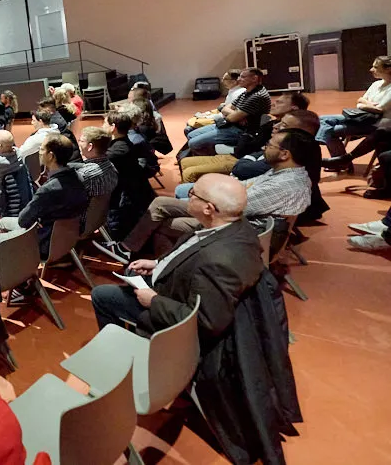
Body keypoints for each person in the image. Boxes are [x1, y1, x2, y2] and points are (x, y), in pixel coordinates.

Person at [98, 128, 314, 262]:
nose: (265, 147)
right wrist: (205, 194)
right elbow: (242, 186)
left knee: (164, 224)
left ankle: (164, 271)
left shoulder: (286, 184)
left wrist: (203, 197)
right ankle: (128, 250)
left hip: (237, 230)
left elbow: (235, 206)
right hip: (234, 218)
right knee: (161, 203)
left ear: (285, 154)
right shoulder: (282, 172)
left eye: (270, 145)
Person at [89, 174, 264, 340]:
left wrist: (154, 301)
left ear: (208, 208)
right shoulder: (230, 224)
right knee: (131, 271)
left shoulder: (218, 263)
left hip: (169, 307)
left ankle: (125, 348)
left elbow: (205, 322)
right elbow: (188, 251)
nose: (189, 197)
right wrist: (157, 263)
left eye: (193, 193)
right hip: (175, 287)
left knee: (101, 295)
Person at [0, 133, 89, 257]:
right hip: (66, 239)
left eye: (42, 149)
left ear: (51, 156)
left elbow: (23, 220)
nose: (40, 153)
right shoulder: (79, 177)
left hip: (43, 243)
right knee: (3, 222)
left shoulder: (48, 190)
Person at [178, 92, 310, 183]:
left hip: (242, 161)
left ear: (294, 108)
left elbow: (256, 150)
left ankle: (193, 202)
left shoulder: (287, 134)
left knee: (190, 171)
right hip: (240, 155)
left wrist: (246, 142)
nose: (273, 104)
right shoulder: (272, 123)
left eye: (279, 102)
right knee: (185, 162)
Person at [317, 56, 391, 158]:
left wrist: (363, 105)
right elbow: (360, 100)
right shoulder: (376, 84)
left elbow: (379, 109)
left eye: (376, 67)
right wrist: (366, 104)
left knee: (331, 131)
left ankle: (340, 160)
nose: (371, 70)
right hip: (361, 116)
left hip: (375, 123)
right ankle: (319, 142)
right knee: (322, 119)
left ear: (388, 69)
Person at [186, 69, 272, 155]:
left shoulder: (257, 96)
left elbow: (231, 118)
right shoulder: (247, 92)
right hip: (231, 125)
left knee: (193, 143)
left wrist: (235, 115)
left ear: (254, 79)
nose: (238, 79)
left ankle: (216, 155)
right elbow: (225, 109)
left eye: (243, 77)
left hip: (241, 131)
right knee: (190, 135)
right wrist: (238, 115)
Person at [104, 108, 157, 240]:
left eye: (104, 123)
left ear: (113, 127)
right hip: (130, 195)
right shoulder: (122, 143)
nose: (102, 126)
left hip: (124, 201)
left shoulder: (117, 150)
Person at [70, 127, 118, 198]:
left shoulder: (84, 174)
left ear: (90, 146)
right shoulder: (111, 166)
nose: (79, 144)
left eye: (81, 141)